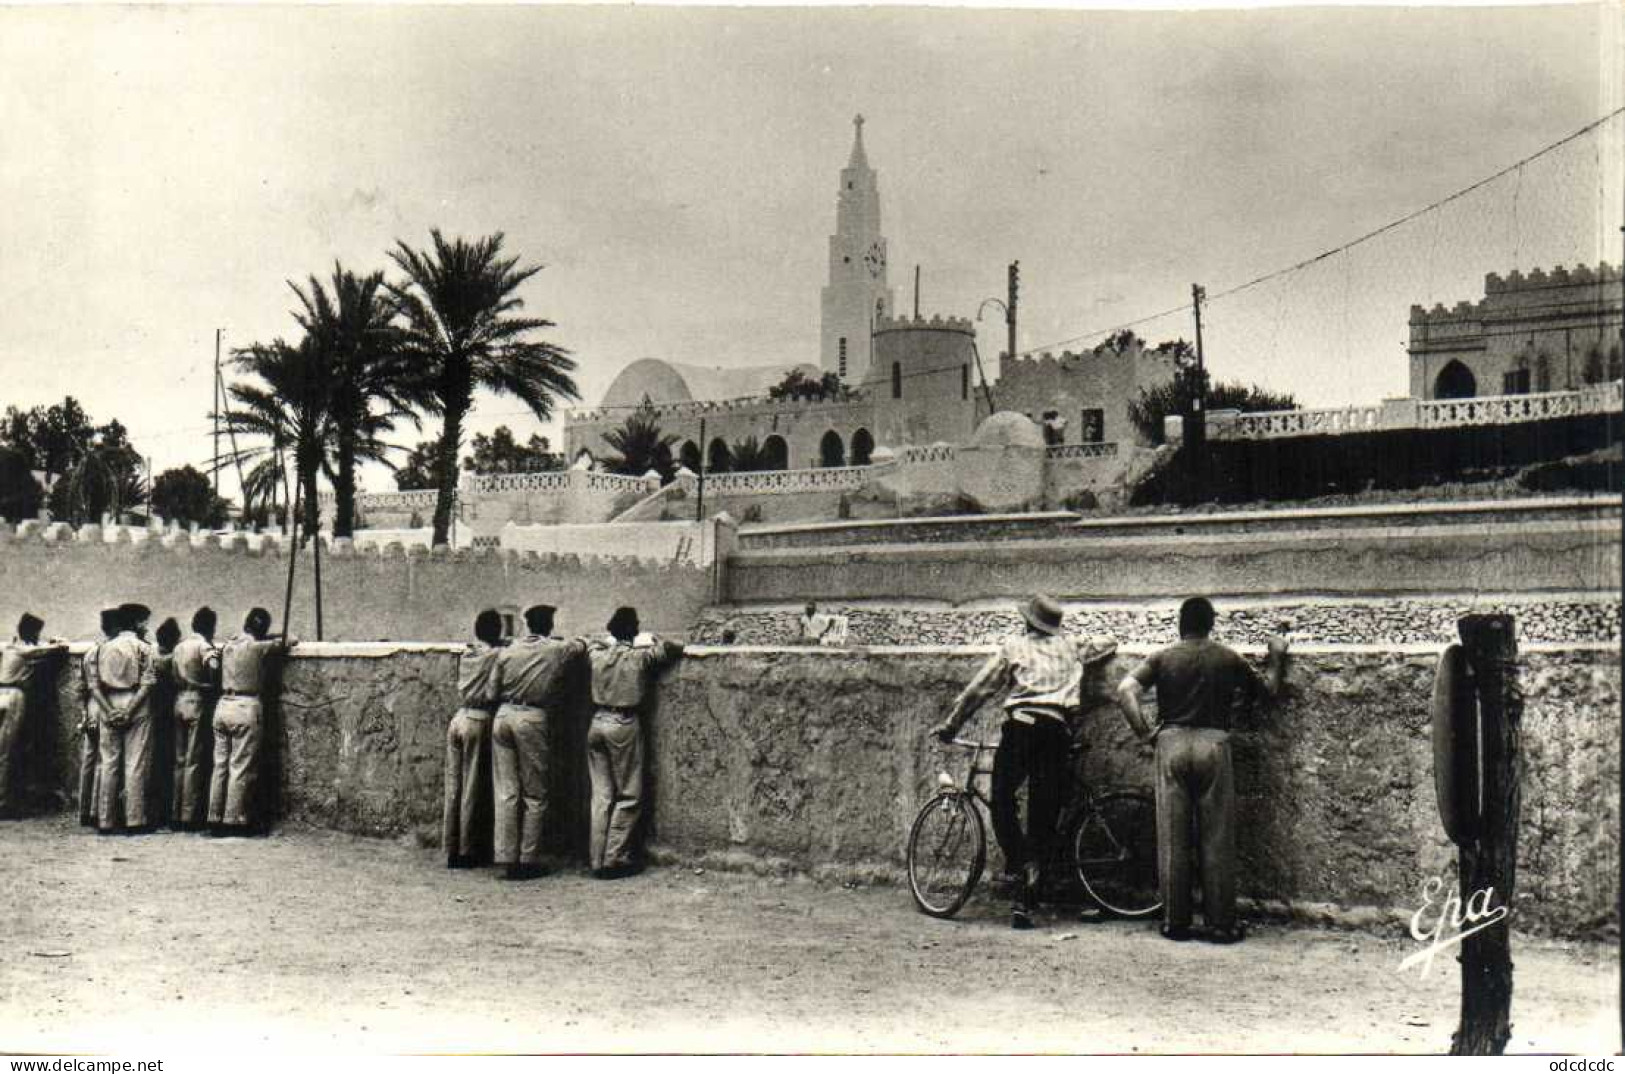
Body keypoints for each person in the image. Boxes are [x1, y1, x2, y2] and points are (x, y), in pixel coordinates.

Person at [929, 595, 1117, 930]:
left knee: (1001, 799)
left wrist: (951, 725)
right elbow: (1107, 643)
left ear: (1028, 621)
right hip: (1058, 731)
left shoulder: (1014, 647)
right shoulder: (1072, 646)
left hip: (1022, 728)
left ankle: (1020, 862)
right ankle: (1027, 898)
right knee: (1043, 815)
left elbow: (978, 690)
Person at [1116, 597, 1290, 944]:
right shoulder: (1226, 657)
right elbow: (1269, 689)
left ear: (1180, 624)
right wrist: (1276, 653)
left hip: (1171, 744)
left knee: (1172, 837)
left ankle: (1175, 923)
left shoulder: (1163, 657)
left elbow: (1125, 690)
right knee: (1217, 837)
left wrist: (1144, 732)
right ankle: (1221, 925)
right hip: (1214, 743)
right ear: (1210, 624)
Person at [488, 604, 587, 881]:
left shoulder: (508, 650)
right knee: (535, 793)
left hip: (503, 715)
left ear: (528, 625)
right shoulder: (555, 649)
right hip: (531, 716)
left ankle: (506, 857)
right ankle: (527, 859)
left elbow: (492, 690)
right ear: (549, 626)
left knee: (507, 791)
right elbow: (580, 646)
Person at [585, 607, 683, 879]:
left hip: (597, 722)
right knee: (629, 794)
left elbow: (588, 643)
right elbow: (674, 647)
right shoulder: (640, 657)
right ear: (634, 630)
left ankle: (596, 858)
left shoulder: (598, 654)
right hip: (623, 723)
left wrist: (609, 641)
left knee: (601, 796)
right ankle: (614, 857)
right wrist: (651, 637)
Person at [209, 607, 297, 834]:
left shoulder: (228, 645)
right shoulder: (259, 648)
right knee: (240, 765)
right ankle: (233, 820)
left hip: (223, 705)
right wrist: (267, 636)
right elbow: (291, 640)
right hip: (246, 706)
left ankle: (214, 816)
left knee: (220, 765)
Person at [444, 609, 505, 869]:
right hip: (478, 719)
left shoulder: (469, 654)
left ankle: (452, 847)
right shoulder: (495, 656)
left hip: (459, 717)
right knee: (471, 787)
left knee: (454, 786)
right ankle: (469, 850)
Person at [93, 602, 160, 833]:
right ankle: (134, 819)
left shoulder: (102, 648)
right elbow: (148, 683)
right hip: (136, 702)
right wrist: (130, 710)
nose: (146, 626)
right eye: (143, 621)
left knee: (109, 763)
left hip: (108, 701)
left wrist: (110, 710)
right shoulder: (144, 648)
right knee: (135, 763)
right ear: (135, 622)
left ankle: (105, 820)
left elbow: (94, 685)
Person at [0, 613, 69, 817]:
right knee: (7, 751)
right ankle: (2, 801)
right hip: (13, 695)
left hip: (2, 692)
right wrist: (58, 643)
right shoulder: (24, 649)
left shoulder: (10, 648)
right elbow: (48, 650)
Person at [169, 608, 221, 831]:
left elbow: (172, 674)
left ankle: (176, 811)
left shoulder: (179, 647)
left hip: (179, 699)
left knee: (179, 759)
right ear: (211, 627)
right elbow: (214, 666)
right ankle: (189, 815)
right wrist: (210, 684)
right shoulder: (204, 645)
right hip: (197, 699)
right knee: (194, 759)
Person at [76, 607, 121, 827]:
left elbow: (82, 686)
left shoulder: (91, 651)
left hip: (92, 704)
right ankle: (97, 811)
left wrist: (85, 712)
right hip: (104, 702)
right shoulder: (107, 651)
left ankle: (85, 810)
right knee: (105, 758)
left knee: (90, 758)